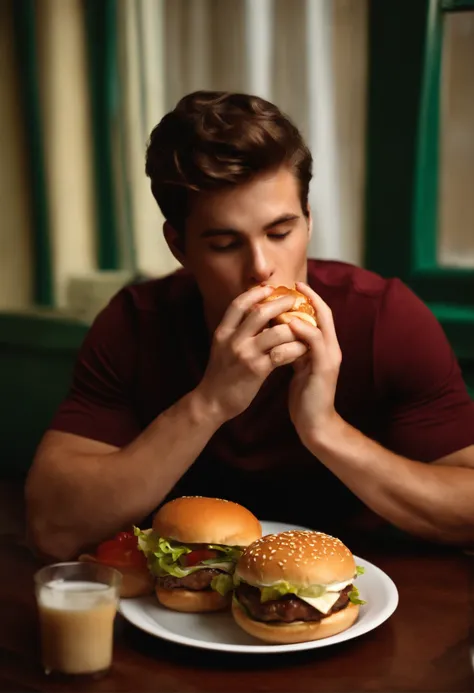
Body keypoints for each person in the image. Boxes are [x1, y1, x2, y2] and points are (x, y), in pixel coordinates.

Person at [26, 91, 474, 560]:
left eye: (281, 233)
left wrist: (324, 429)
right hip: (184, 593)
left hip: (362, 588)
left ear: (309, 222)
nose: (261, 267)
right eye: (224, 244)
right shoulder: (135, 323)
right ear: (180, 247)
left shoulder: (384, 318)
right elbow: (54, 528)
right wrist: (209, 403)